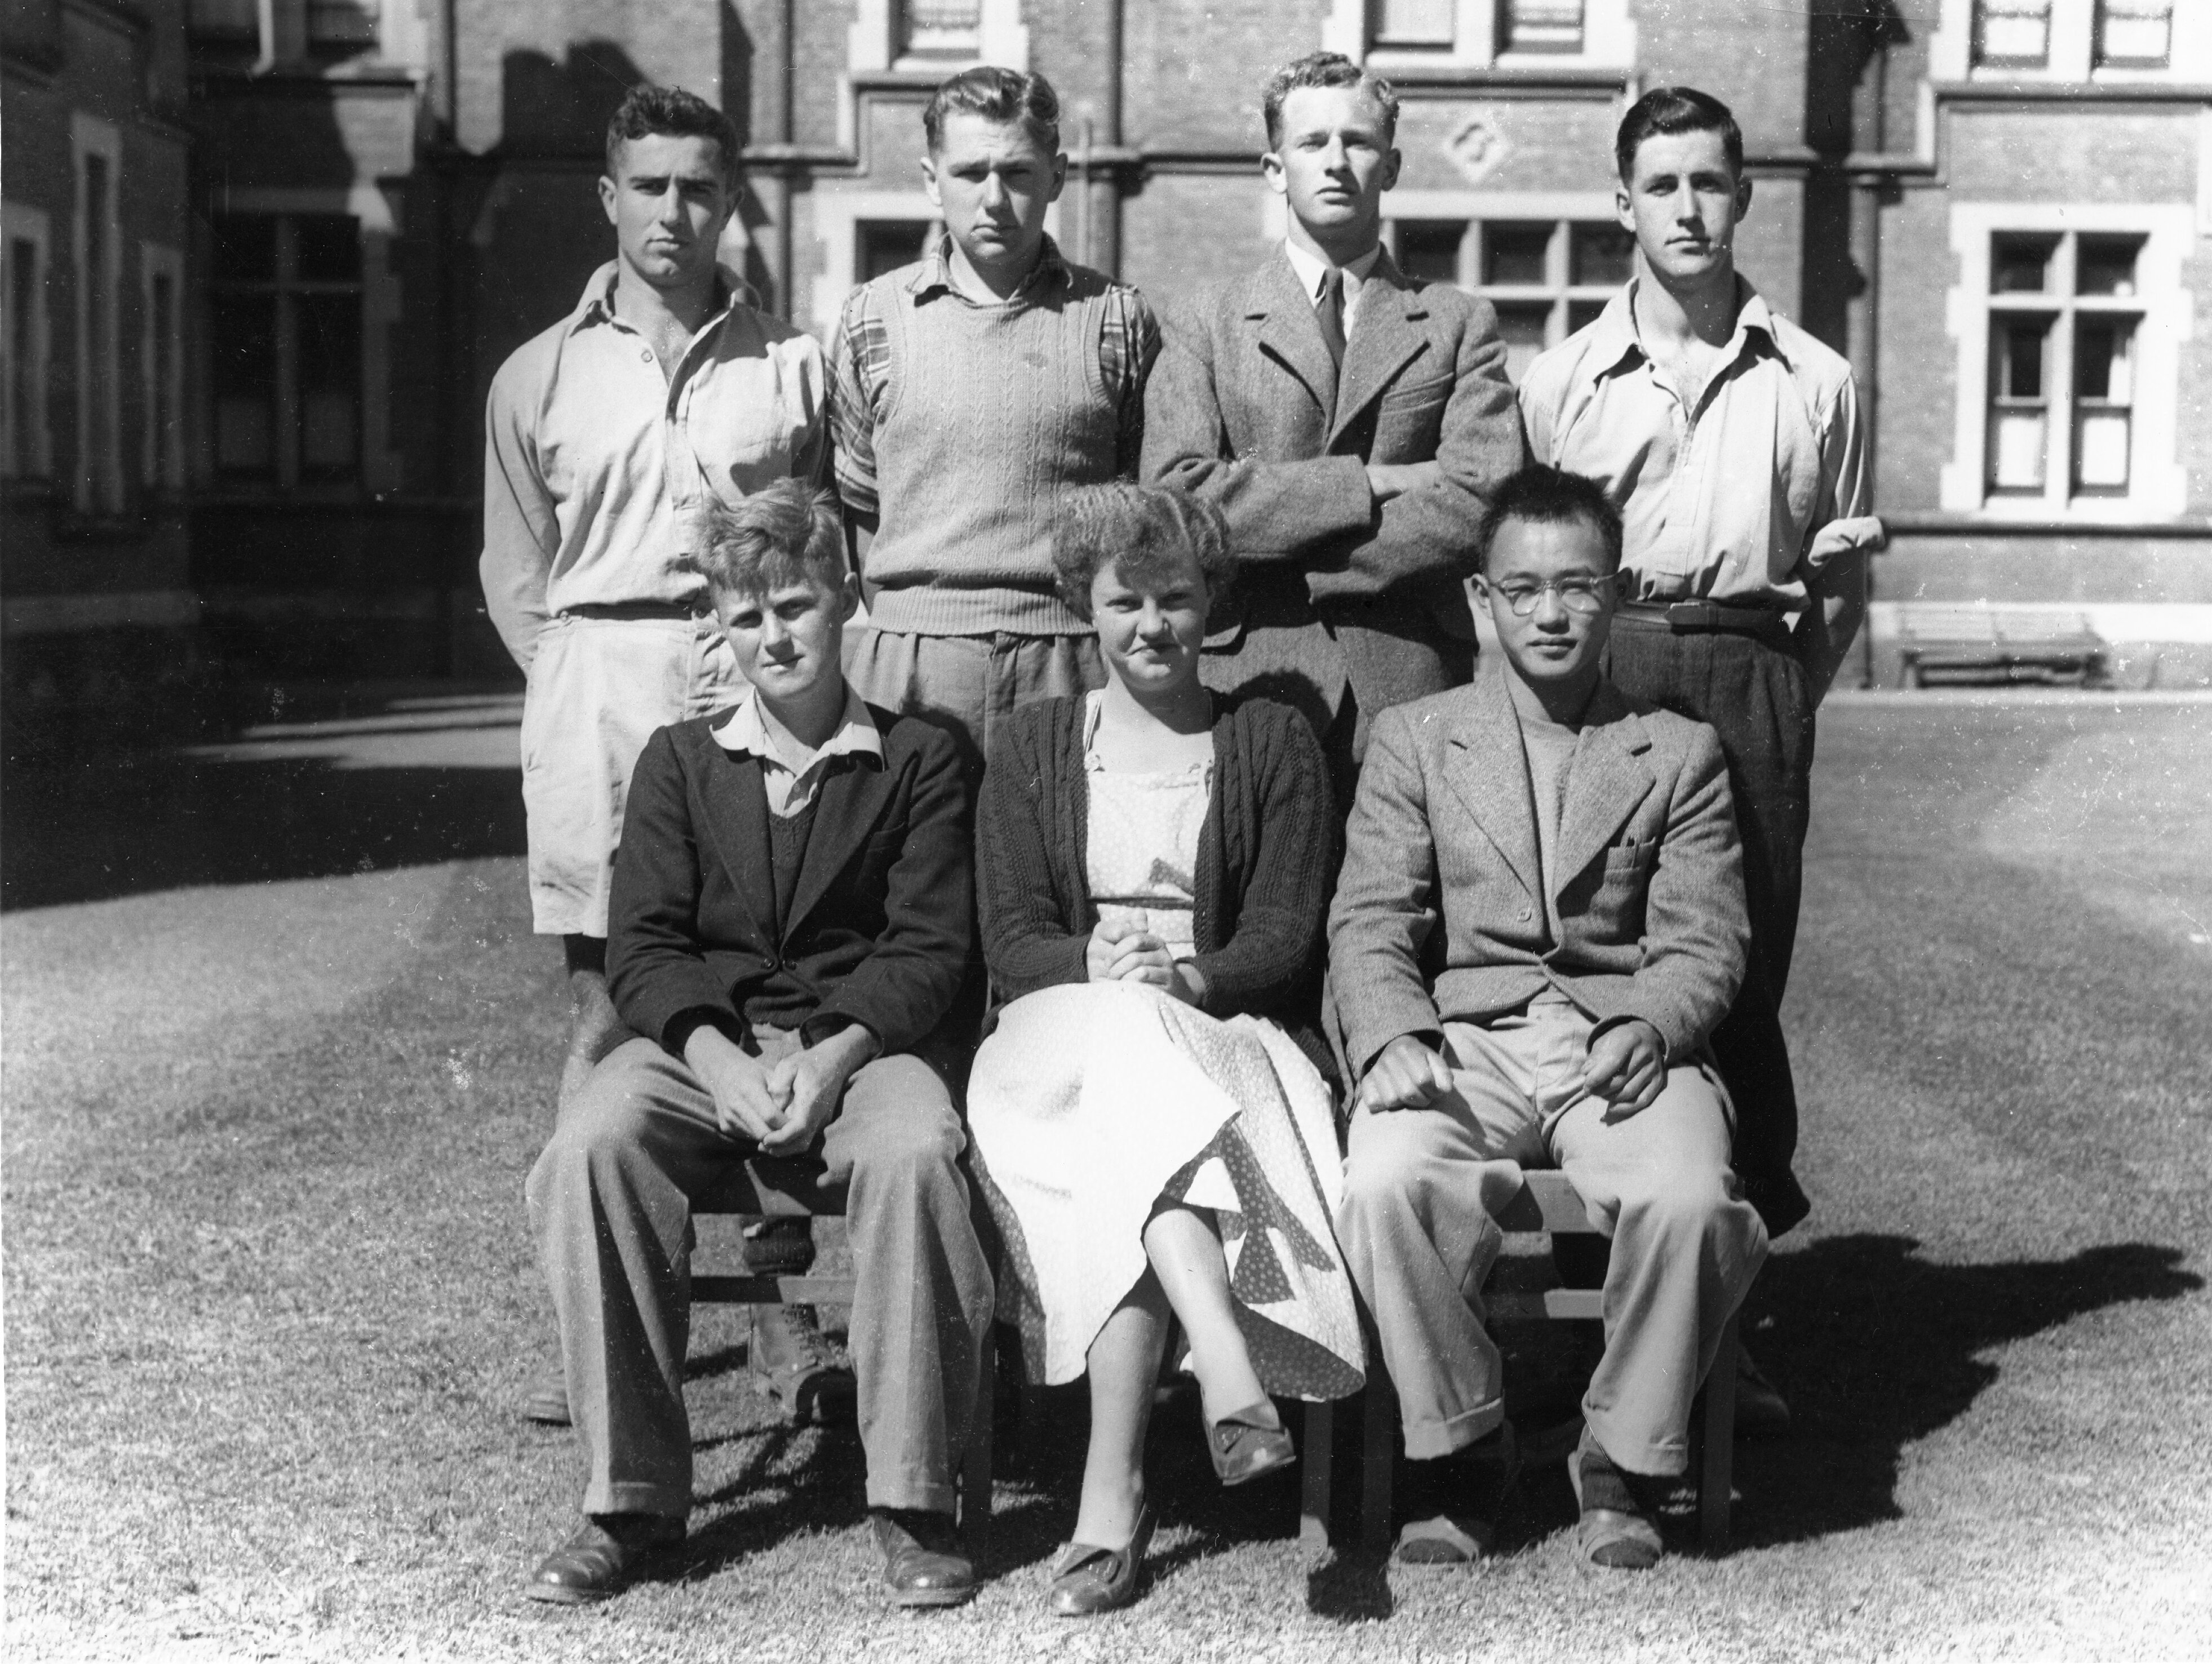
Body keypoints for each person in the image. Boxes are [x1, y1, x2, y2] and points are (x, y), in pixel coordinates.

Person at [523, 481, 993, 1609]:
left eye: (795, 605)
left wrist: (828, 1057)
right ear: (719, 632)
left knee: (916, 1151)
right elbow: (641, 948)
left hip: (866, 1050)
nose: (775, 636)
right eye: (748, 618)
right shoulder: (681, 761)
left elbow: (931, 950)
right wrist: (723, 1061)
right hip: (704, 1058)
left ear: (847, 599)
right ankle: (627, 1498)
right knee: (592, 1141)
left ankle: (911, 1497)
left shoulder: (920, 756)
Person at [480, 85, 843, 1426]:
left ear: (731, 196)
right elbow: (516, 572)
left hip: (749, 690)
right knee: (607, 1011)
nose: (675, 213)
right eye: (651, 186)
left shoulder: (787, 366)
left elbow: (818, 547)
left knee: (768, 1000)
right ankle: (598, 1328)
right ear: (610, 197)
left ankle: (789, 1329)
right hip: (599, 696)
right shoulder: (540, 372)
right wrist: (583, 689)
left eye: (701, 186)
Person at [1328, 465, 1767, 1570]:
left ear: (1613, 594)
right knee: (1384, 1182)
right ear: (1480, 600)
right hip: (1461, 1041)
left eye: (1576, 587)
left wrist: (1654, 1026)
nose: (1551, 612)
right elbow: (1369, 919)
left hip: (1615, 1048)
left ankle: (1617, 1457)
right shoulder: (1414, 738)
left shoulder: (1676, 752)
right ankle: (1465, 1448)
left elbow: (1704, 941)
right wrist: (1389, 1037)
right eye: (1521, 590)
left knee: (1690, 1198)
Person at [969, 483, 1363, 1616]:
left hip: (1221, 1037)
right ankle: (1226, 1370)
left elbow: (1284, 936)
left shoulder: (1269, 739)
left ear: (1213, 607)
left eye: (1175, 599)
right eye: (1123, 601)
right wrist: (1094, 968)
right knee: (1126, 1057)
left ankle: (1112, 1494)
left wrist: (1188, 976)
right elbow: (1011, 938)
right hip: (1053, 1044)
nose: (1151, 625)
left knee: (1137, 1132)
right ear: (1083, 610)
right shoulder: (1035, 745)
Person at [1518, 87, 1882, 1267]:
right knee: (1598, 952)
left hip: (1750, 669)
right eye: (1660, 184)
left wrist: (1776, 697)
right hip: (1607, 667)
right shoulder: (1562, 380)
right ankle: (1595, 1259)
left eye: (1708, 182)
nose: (1686, 208)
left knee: (1739, 972)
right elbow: (1525, 571)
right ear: (1620, 202)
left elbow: (1834, 582)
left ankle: (1730, 1286)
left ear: (1742, 193)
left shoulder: (1814, 381)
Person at [1143, 50, 1521, 779]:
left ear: (1393, 164)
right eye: (1312, 143)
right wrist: (1369, 483)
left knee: (1402, 889)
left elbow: (1483, 498)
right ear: (1274, 168)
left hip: (1409, 675)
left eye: (1358, 142)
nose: (1336, 161)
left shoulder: (1456, 321)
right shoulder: (1206, 320)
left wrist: (1286, 549)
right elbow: (1178, 499)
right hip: (1250, 671)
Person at [828, 66, 1160, 766]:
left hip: (1069, 662)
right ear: (930, 178)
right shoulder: (871, 318)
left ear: (1058, 175)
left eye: (1015, 172)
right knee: (915, 875)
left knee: (1054, 873)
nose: (993, 199)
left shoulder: (1116, 318)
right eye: (969, 171)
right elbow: (859, 509)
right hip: (910, 668)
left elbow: (1139, 500)